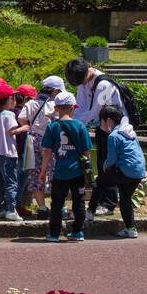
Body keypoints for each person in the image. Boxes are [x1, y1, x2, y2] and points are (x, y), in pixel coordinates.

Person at [67, 58, 129, 216]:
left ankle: (109, 204)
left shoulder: (103, 85)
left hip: (115, 130)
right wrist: (70, 121)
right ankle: (104, 200)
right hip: (103, 128)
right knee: (101, 163)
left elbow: (92, 112)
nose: (80, 85)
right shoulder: (84, 83)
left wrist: (71, 125)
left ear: (87, 70)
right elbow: (80, 108)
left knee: (109, 165)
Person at [40, 90, 91, 242]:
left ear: (56, 108)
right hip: (78, 172)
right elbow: (87, 151)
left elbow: (47, 152)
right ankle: (77, 232)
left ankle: (54, 234)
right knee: (79, 202)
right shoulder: (80, 126)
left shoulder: (52, 127)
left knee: (57, 203)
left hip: (60, 172)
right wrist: (87, 169)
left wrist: (42, 172)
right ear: (72, 107)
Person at [95, 104, 146, 238]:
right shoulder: (130, 131)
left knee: (99, 182)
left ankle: (89, 212)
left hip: (126, 171)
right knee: (125, 198)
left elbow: (111, 159)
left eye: (102, 121)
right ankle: (131, 229)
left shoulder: (113, 136)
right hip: (139, 171)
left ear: (109, 120)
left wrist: (105, 168)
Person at [0, 85, 28, 221]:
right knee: (11, 183)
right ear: (10, 99)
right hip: (8, 154)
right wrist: (24, 128)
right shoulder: (9, 114)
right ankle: (11, 210)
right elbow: (11, 131)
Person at [21, 76, 61, 217]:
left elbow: (21, 118)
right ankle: (58, 206)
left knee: (35, 173)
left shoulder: (31, 103)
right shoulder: (54, 105)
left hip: (32, 140)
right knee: (54, 172)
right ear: (55, 91)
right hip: (49, 141)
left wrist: (30, 125)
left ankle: (42, 208)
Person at [12, 84, 38, 215]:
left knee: (13, 180)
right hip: (21, 152)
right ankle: (17, 205)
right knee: (20, 180)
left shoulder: (10, 112)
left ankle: (12, 205)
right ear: (27, 99)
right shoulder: (21, 115)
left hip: (11, 152)